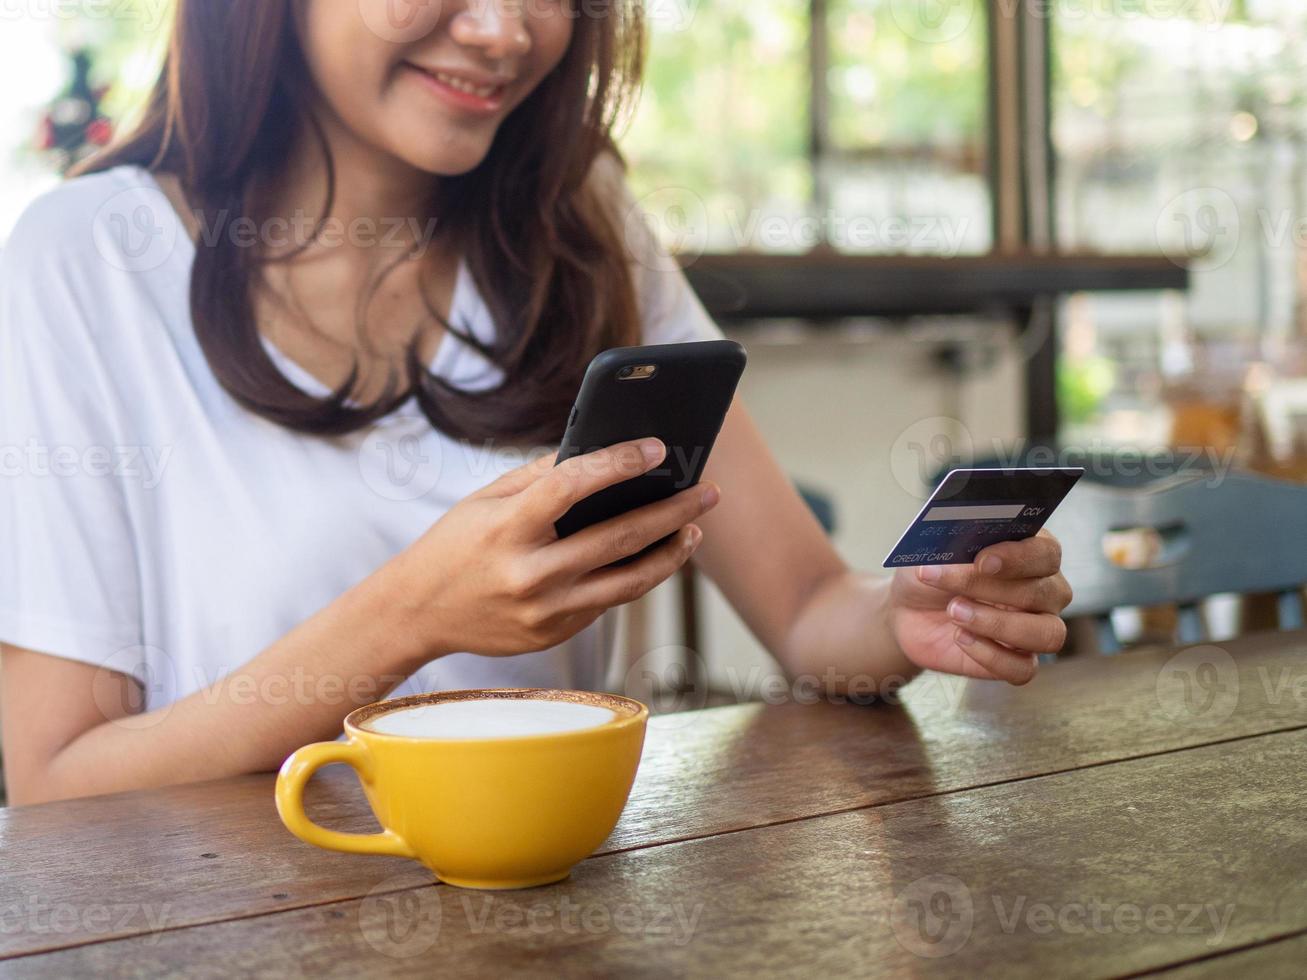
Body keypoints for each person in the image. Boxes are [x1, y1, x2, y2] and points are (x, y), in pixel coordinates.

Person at [0, 0, 1072, 806]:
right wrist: (412, 615)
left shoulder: (579, 226)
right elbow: (55, 779)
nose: (504, 29)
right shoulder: (87, 258)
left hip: (542, 926)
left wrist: (905, 613)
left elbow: (802, 611)